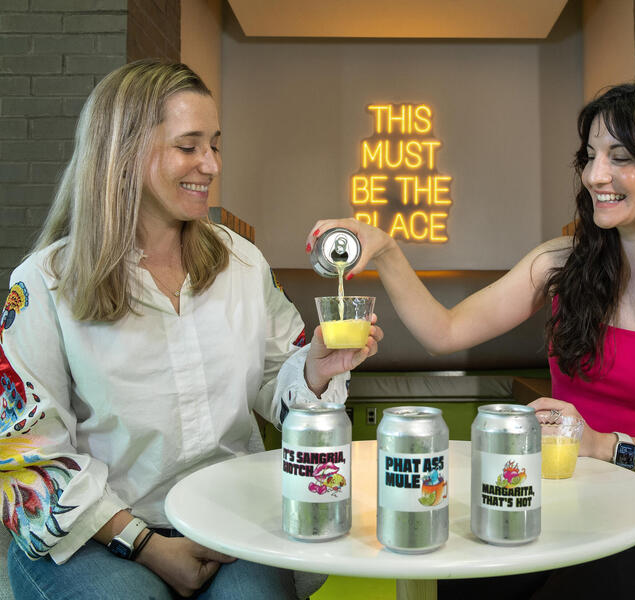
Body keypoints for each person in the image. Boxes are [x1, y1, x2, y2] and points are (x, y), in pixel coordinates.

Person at [306, 82, 635, 598]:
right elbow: (444, 332)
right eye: (590, 156)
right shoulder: (561, 263)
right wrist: (388, 251)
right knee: (465, 580)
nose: (596, 175)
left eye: (620, 158)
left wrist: (605, 446)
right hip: (552, 498)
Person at [0, 60, 381, 600]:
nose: (211, 164)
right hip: (96, 532)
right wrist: (147, 545)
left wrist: (316, 371)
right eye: (189, 146)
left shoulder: (242, 263)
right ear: (125, 152)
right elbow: (29, 455)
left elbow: (282, 382)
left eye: (215, 144)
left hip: (225, 518)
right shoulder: (44, 283)